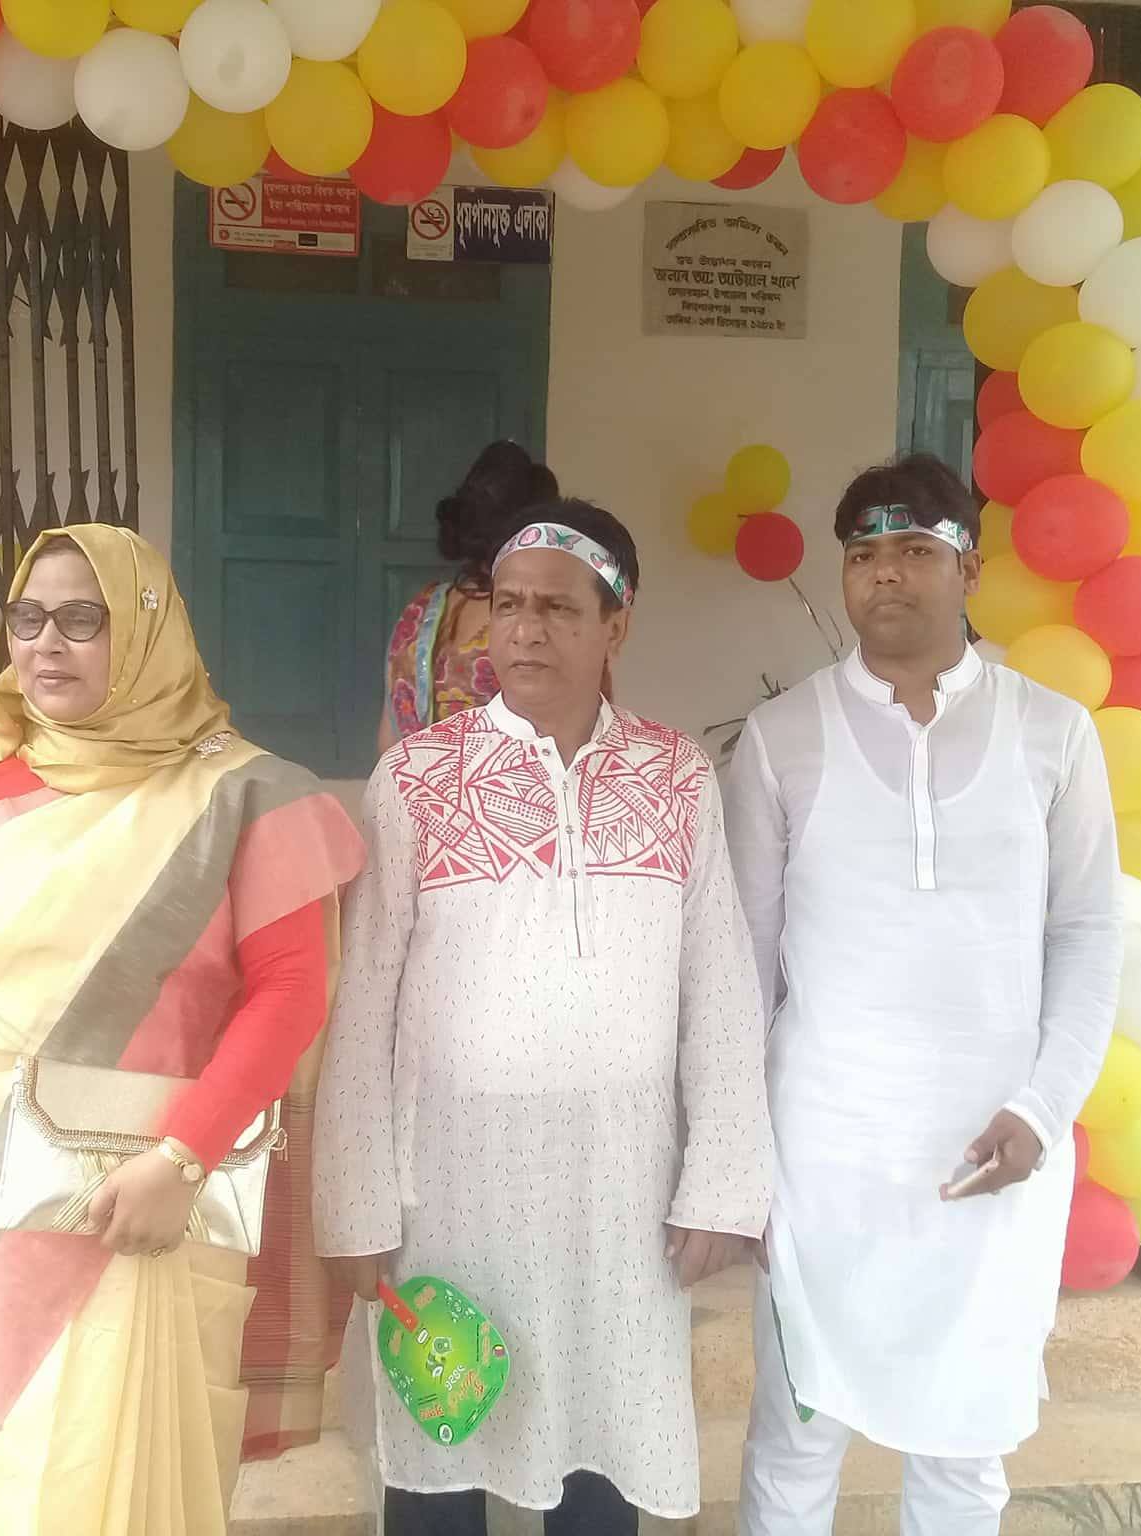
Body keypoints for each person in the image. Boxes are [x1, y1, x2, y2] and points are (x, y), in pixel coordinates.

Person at [0, 525, 366, 1533]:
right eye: (28, 617)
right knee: (10, 1466)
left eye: (85, 619)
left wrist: (182, 1158)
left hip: (145, 1201)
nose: (47, 642)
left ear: (148, 629)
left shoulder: (246, 793)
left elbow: (291, 994)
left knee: (111, 1474)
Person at [318, 498, 775, 1534]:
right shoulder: (416, 780)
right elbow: (365, 1001)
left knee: (602, 1453)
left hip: (619, 1194)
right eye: (510, 604)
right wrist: (355, 1205)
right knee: (440, 1454)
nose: (524, 629)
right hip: (449, 1194)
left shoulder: (676, 778)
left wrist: (721, 1184)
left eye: (559, 608)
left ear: (616, 625)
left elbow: (718, 988)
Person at [723, 454, 1124, 1536]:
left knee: (962, 1454)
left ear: (969, 569)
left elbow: (1088, 936)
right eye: (863, 555)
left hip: (990, 1156)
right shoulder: (781, 737)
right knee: (793, 1442)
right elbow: (741, 964)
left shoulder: (1053, 733)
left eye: (913, 549)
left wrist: (1042, 1109)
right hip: (823, 1159)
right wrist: (737, 1157)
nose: (885, 574)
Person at [380, 441, 560, 752]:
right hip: (506, 783)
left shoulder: (419, 610)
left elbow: (388, 742)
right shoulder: (543, 621)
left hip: (413, 780)